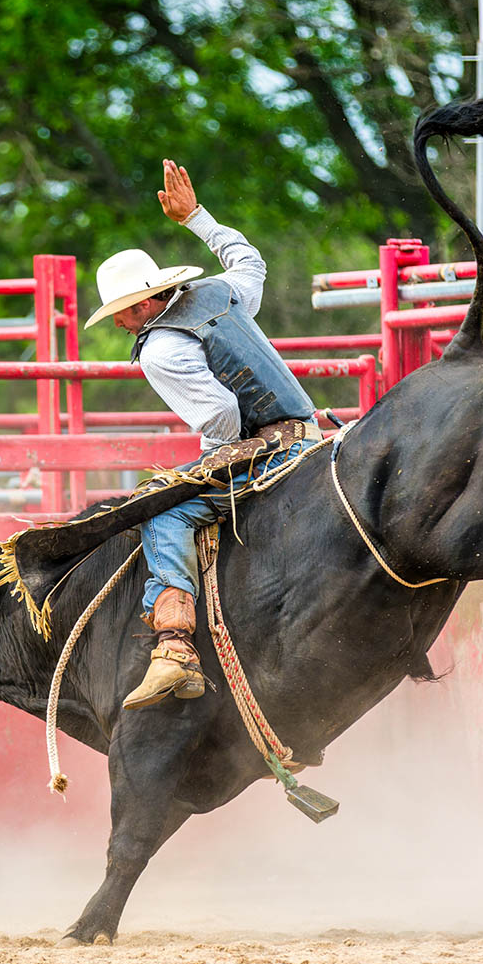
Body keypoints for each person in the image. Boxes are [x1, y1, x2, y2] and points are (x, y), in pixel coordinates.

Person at [83, 159, 320, 710]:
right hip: (306, 434)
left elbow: (219, 417)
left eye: (120, 312)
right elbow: (249, 261)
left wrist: (204, 468)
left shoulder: (160, 349)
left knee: (165, 512)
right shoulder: (221, 293)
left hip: (260, 450)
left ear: (142, 304)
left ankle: (173, 649)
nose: (119, 323)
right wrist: (198, 219)